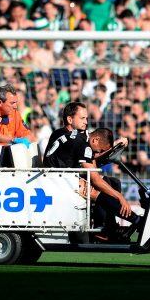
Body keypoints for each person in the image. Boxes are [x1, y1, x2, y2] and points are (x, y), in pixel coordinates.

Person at [43, 101, 139, 242]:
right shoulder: (76, 140)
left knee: (112, 181)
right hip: (55, 180)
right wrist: (120, 196)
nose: (86, 122)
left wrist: (113, 145)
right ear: (70, 119)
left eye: (87, 118)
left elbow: (92, 153)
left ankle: (109, 227)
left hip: (62, 177)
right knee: (98, 186)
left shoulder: (71, 135)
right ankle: (127, 222)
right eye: (82, 118)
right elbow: (93, 171)